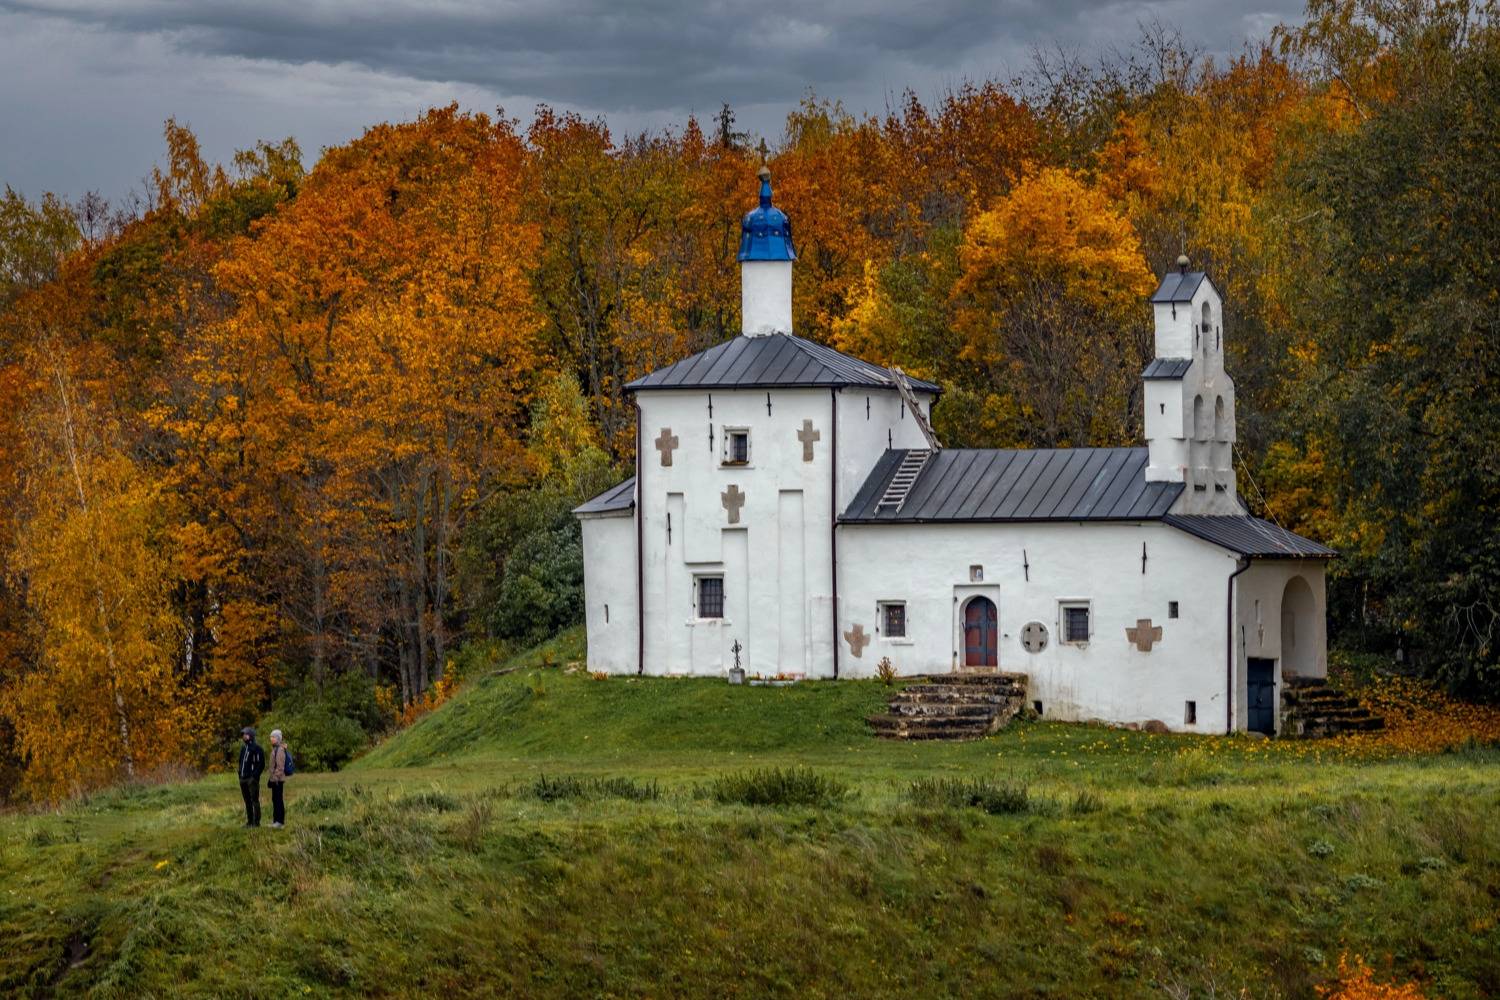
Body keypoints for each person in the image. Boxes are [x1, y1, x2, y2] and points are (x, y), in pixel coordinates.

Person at [238, 726, 265, 827]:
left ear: (251, 736)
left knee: (254, 800)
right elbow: (240, 762)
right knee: (247, 801)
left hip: (251, 779)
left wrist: (254, 776)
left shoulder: (257, 749)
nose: (243, 736)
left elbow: (261, 764)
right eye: (243, 735)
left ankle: (256, 822)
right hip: (243, 778)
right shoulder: (243, 748)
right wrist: (239, 774)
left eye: (245, 734)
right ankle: (249, 822)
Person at [267, 729, 291, 829]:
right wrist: (271, 779)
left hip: (278, 780)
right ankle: (276, 821)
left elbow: (280, 767)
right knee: (275, 799)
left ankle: (279, 822)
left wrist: (274, 779)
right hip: (275, 780)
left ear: (278, 738)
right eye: (271, 737)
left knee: (278, 800)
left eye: (273, 737)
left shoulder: (280, 750)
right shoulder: (275, 748)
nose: (271, 739)